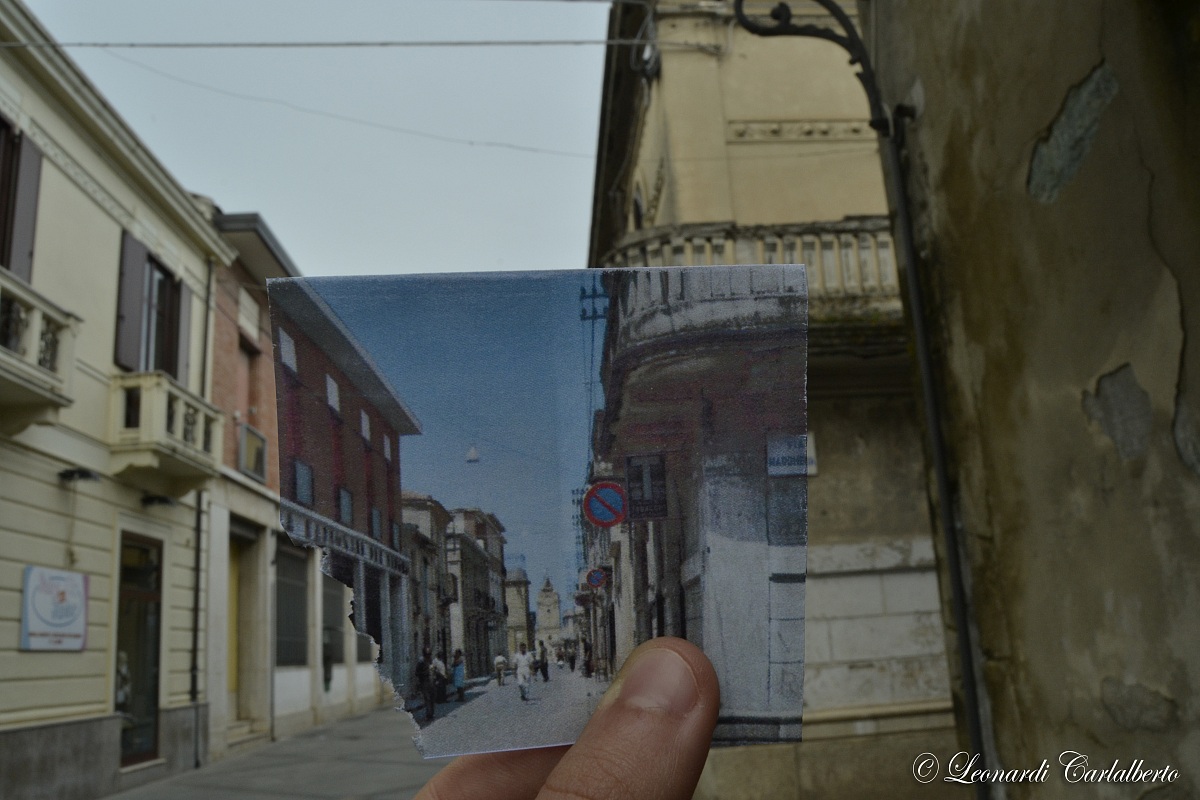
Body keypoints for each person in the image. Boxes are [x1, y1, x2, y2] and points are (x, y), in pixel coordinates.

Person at [414, 637, 719, 800]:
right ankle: (519, 692)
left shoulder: (531, 656)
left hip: (525, 673)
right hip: (520, 674)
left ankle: (522, 691)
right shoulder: (519, 656)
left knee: (524, 683)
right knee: (520, 685)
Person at [415, 648, 437, 722]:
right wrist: (425, 673)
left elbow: (434, 670)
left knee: (432, 698)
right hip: (424, 682)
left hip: (432, 682)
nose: (429, 656)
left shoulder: (431, 661)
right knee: (427, 698)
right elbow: (417, 673)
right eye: (427, 654)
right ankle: (428, 714)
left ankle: (432, 713)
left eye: (429, 654)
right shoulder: (421, 662)